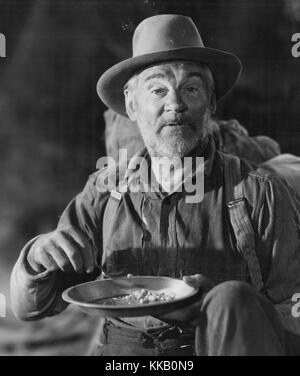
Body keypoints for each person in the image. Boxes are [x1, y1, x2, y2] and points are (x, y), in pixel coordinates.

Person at [11, 14, 300, 356]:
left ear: (210, 102)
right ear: (132, 106)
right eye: (158, 90)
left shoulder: (257, 192)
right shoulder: (104, 192)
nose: (175, 105)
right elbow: (30, 309)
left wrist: (226, 308)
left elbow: (293, 311)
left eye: (190, 88)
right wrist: (35, 257)